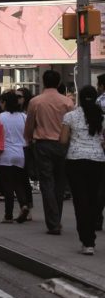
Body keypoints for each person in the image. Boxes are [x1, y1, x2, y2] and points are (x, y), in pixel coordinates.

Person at [25, 70, 73, 235]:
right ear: (59, 82)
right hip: (62, 145)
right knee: (60, 182)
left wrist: (28, 139)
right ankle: (56, 219)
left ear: (43, 82)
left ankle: (53, 222)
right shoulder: (67, 102)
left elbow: (30, 125)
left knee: (47, 182)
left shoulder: (35, 102)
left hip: (43, 144)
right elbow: (71, 127)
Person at [61, 86, 105, 254]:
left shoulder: (70, 116)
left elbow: (63, 140)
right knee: (93, 199)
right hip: (97, 160)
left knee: (80, 200)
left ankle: (87, 242)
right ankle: (91, 235)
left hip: (75, 160)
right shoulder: (101, 117)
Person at [0, 91, 32, 224]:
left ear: (5, 103)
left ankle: (8, 215)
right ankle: (24, 205)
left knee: (7, 185)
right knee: (19, 182)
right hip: (20, 153)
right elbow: (29, 135)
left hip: (4, 154)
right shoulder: (24, 117)